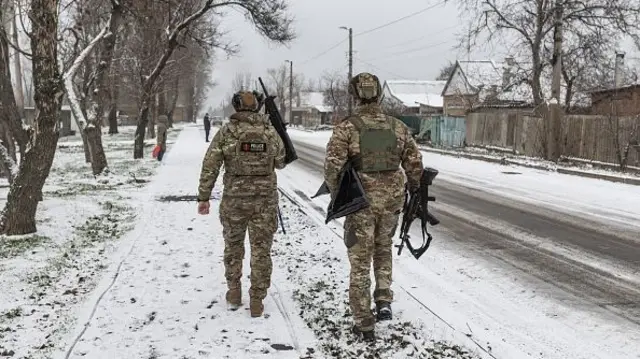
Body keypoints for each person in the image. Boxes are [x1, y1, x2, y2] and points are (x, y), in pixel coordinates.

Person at [323, 72, 423, 341]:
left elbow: (332, 168)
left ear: (355, 95)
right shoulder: (397, 127)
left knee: (359, 260)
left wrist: (339, 196)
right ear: (378, 93)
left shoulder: (347, 128)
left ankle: (363, 321)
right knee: (383, 248)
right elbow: (415, 165)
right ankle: (383, 299)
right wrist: (412, 189)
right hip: (391, 202)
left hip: (360, 203)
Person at [196, 90, 286, 318]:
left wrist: (204, 197)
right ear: (256, 106)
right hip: (264, 202)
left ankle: (234, 292)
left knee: (234, 247)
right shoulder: (269, 130)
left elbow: (211, 164)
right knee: (261, 251)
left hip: (234, 201)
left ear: (236, 107)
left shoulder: (227, 131)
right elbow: (281, 161)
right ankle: (257, 300)